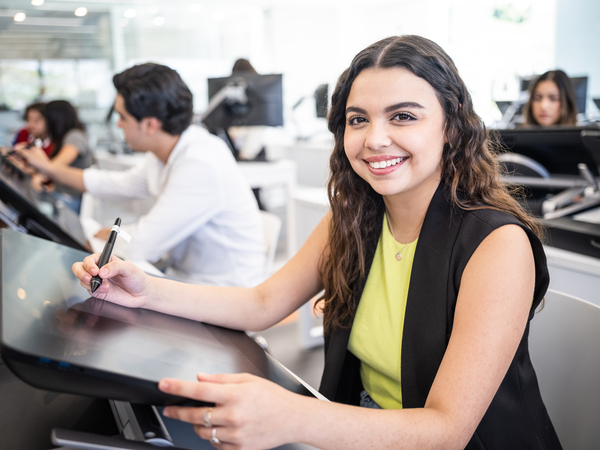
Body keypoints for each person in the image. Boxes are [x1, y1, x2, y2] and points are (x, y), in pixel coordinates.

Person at [72, 36, 561, 449]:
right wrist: (145, 291)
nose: (375, 139)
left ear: (451, 127)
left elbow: (446, 430)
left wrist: (292, 417)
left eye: (404, 116)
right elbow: (262, 302)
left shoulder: (497, 244)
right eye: (358, 119)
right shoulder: (354, 220)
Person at [18, 63, 266, 288]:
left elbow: (142, 245)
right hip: (186, 277)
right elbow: (115, 184)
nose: (118, 125)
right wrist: (49, 168)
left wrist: (113, 233)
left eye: (122, 117)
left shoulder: (200, 163)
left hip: (224, 291)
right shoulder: (163, 153)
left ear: (150, 125)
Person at [13, 100, 93, 211]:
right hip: (62, 194)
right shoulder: (62, 138)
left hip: (70, 198)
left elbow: (54, 166)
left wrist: (30, 157)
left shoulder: (74, 136)